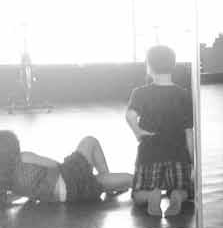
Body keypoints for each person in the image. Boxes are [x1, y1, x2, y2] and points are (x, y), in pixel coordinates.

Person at [126, 45, 194, 217]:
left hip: (149, 154)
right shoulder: (183, 94)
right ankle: (177, 195)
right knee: (186, 190)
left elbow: (130, 115)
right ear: (173, 65)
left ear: (149, 66)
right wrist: (192, 160)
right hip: (177, 155)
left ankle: (150, 196)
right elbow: (189, 131)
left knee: (137, 195)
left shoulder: (140, 93)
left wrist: (138, 132)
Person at [0, 131, 131, 205]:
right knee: (90, 141)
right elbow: (54, 164)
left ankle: (108, 184)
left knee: (96, 181)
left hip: (65, 197)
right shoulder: (24, 157)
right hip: (67, 179)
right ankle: (112, 181)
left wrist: (34, 191)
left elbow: (14, 197)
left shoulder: (5, 180)